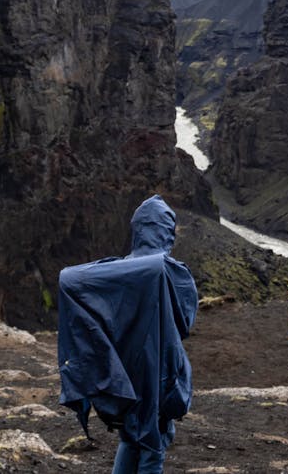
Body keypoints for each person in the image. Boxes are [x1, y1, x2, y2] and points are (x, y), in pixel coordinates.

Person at [58, 195, 198, 474]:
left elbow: (72, 281)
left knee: (131, 436)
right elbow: (185, 320)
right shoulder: (169, 271)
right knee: (152, 446)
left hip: (122, 375)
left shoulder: (117, 272)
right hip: (157, 375)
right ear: (166, 232)